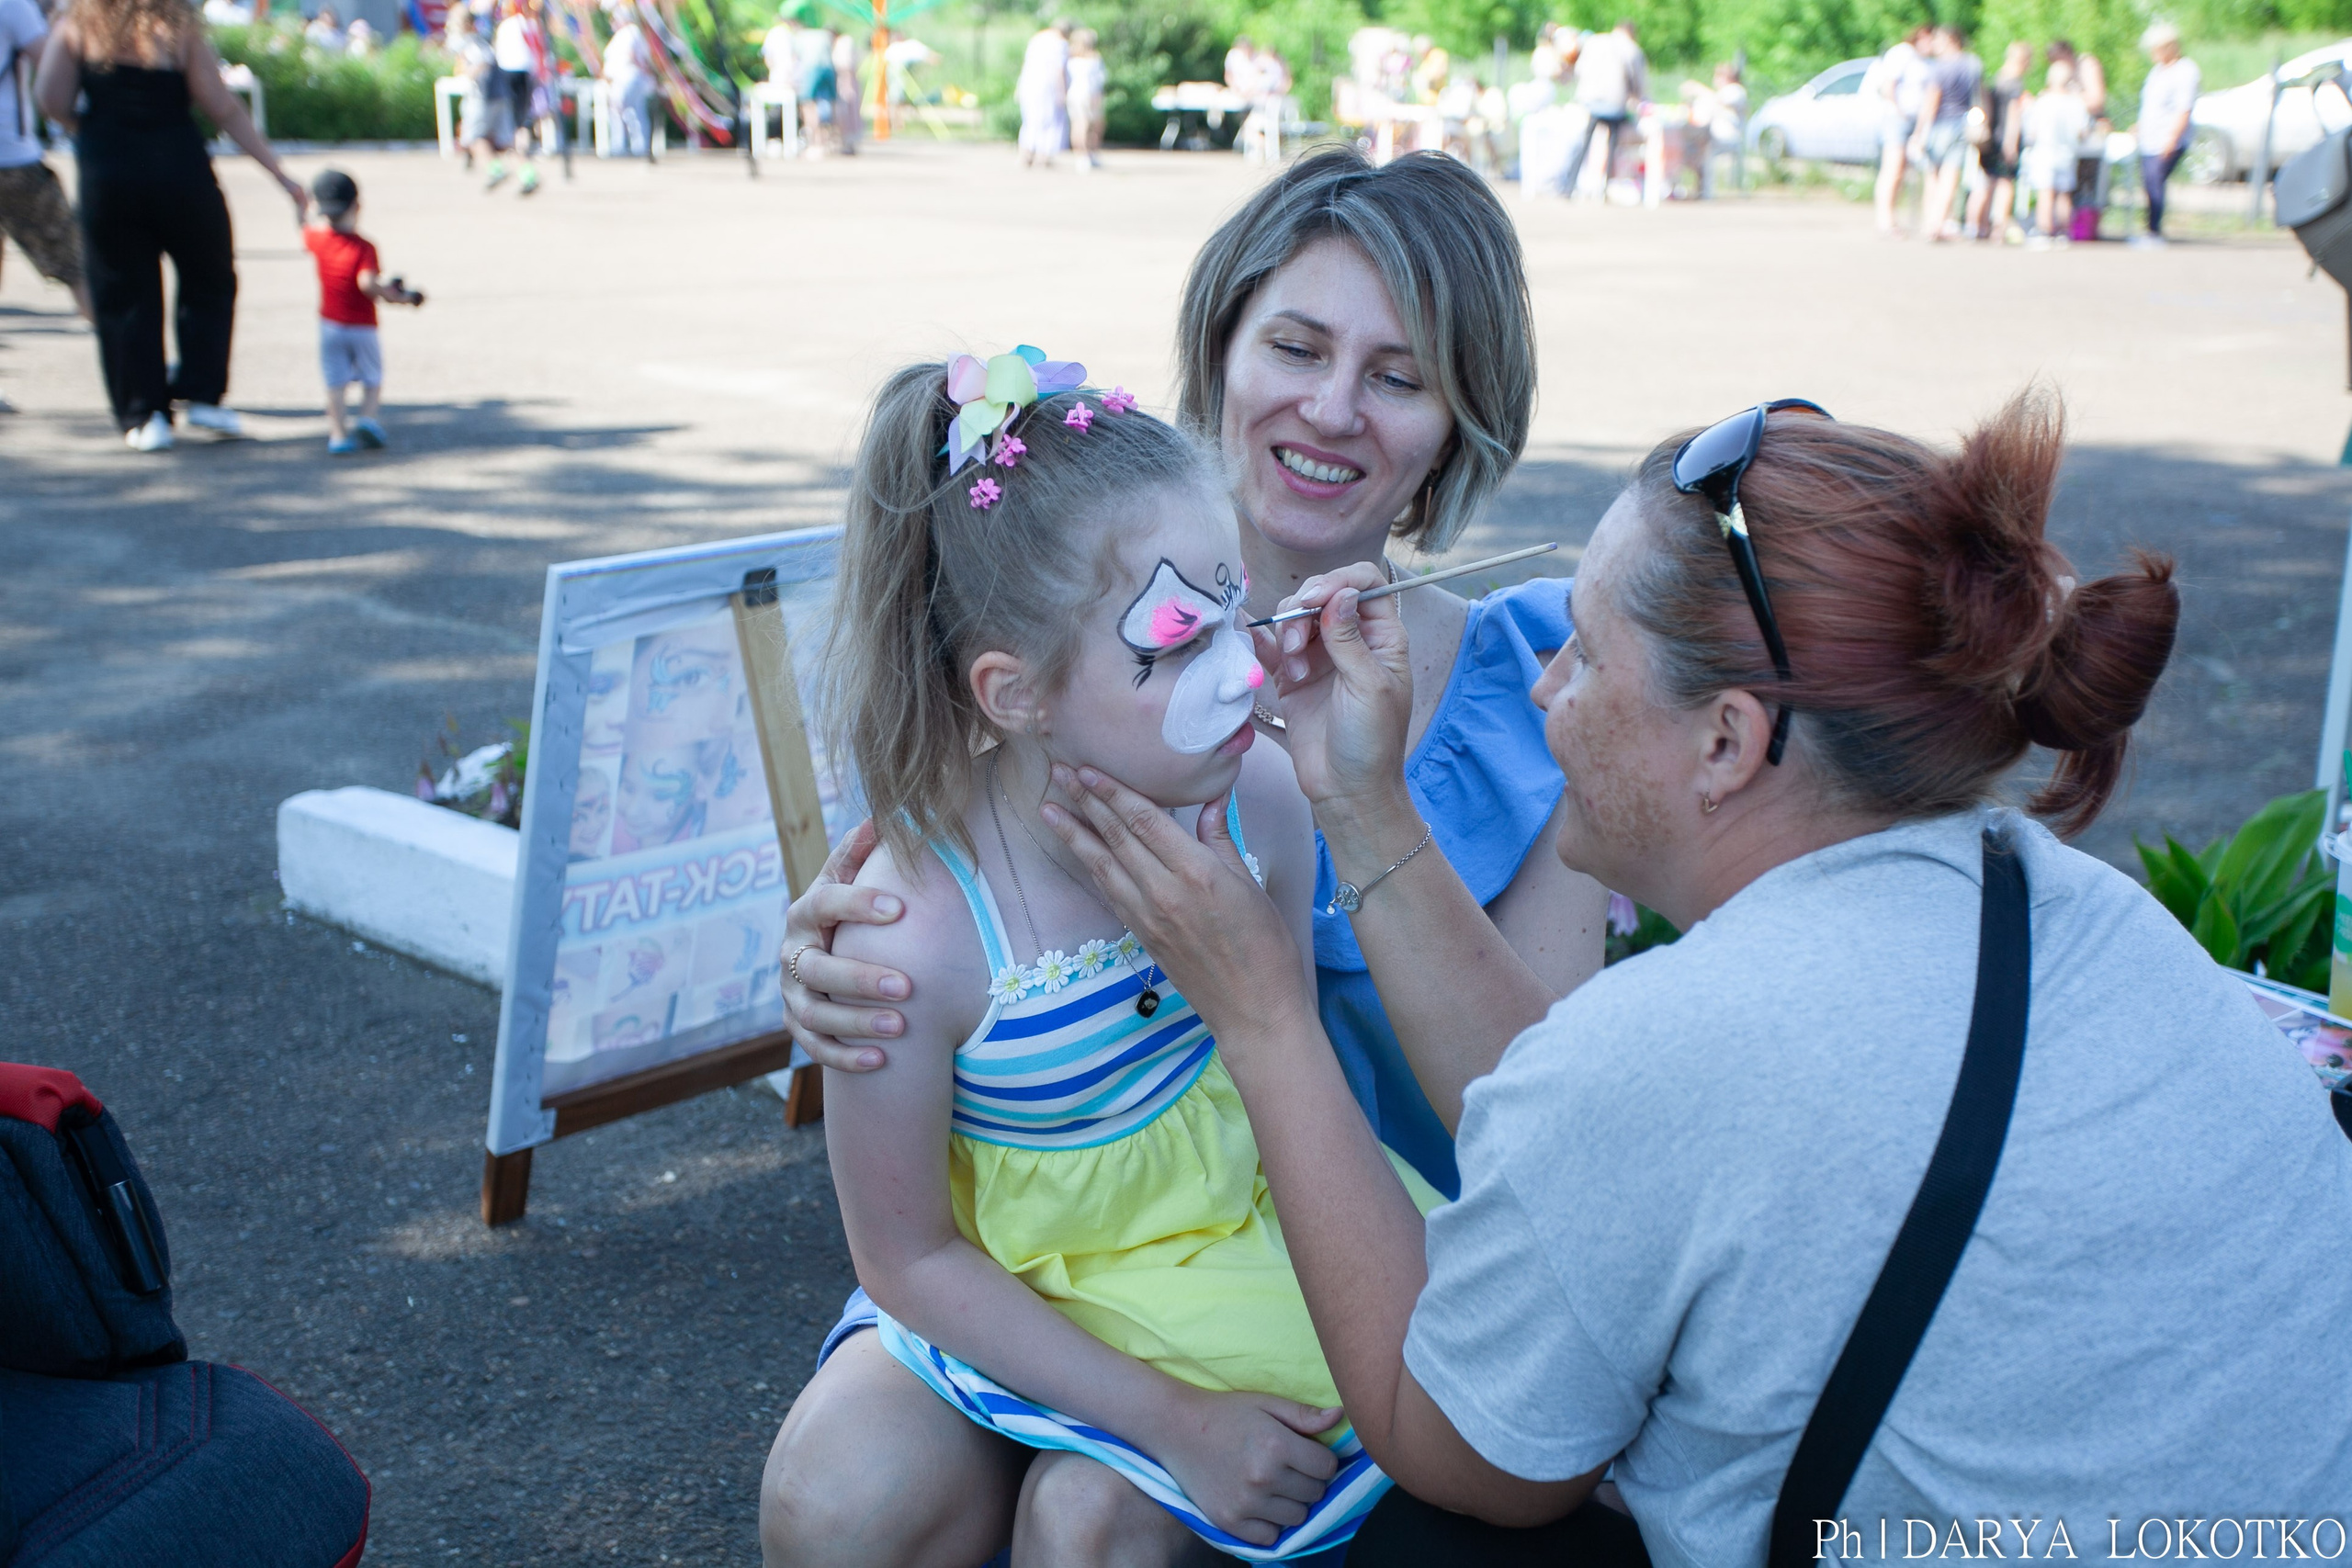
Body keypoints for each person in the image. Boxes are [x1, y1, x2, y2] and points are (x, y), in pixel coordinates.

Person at [1036, 390, 2352, 1559]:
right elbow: (1567, 1139)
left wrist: (1266, 1016)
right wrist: (1359, 798)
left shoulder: (1682, 1048)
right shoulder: (2056, 896)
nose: (1546, 683)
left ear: (1729, 740)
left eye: (1590, 653)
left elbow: (1457, 1447)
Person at [780, 148, 1606, 1205]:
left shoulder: (1527, 697)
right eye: (1296, 348)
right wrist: (837, 967)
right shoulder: (1048, 618)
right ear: (1218, 351)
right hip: (1072, 1288)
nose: (1333, 409)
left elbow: (1554, 1142)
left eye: (1399, 378)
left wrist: (1363, 813)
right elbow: (931, 917)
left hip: (1418, 1299)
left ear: (1459, 428)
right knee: (849, 1385)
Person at [758, 356, 1445, 1565]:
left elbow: (1290, 1084)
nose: (1241, 666)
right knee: (832, 1505)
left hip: (1239, 1243)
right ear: (1013, 691)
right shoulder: (909, 937)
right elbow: (909, 1251)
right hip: (1015, 1289)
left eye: (1239, 606)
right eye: (1179, 639)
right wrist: (1170, 1417)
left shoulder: (1265, 804)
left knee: (1089, 1531)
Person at [35, 0, 306, 451]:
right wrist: (280, 174)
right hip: (179, 168)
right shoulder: (176, 27)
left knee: (123, 290)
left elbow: (50, 98)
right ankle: (202, 393)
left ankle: (143, 415)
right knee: (209, 275)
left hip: (108, 171)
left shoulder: (77, 26)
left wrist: (91, 129)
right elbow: (222, 107)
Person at [0, 0, 95, 374]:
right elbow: (53, 64)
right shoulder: (13, 5)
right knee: (78, 266)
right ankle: (138, 367)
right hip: (12, 159)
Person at [302, 168, 421, 455]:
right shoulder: (365, 248)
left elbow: (302, 228)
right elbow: (366, 284)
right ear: (357, 206)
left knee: (335, 382)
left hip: (329, 324)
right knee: (372, 376)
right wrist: (394, 296)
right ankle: (367, 419)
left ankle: (338, 435)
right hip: (361, 326)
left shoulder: (317, 240)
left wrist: (299, 203)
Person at [1906, 22, 1982, 242]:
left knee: (1933, 175)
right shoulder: (1972, 64)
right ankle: (1938, 223)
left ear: (1950, 40)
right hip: (1961, 124)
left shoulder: (1939, 67)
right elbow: (1979, 96)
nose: (1935, 44)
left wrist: (1919, 132)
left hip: (1940, 125)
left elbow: (1931, 101)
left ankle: (1930, 223)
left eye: (1938, 40)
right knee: (1950, 177)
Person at [2134, 20, 2199, 247]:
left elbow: (2184, 109)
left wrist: (2172, 139)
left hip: (2168, 139)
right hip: (2149, 138)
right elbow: (2151, 106)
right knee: (2149, 183)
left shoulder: (2186, 70)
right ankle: (2150, 230)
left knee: (2155, 182)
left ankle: (2154, 231)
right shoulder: (2157, 72)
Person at [1568, 18, 1645, 197]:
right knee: (1612, 142)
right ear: (1631, 33)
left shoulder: (1594, 41)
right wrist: (1637, 99)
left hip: (1589, 101)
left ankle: (1569, 185)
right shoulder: (1631, 48)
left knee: (1585, 143)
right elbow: (1637, 82)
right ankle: (1605, 187)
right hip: (1614, 103)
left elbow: (1579, 70)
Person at [1866, 24, 1929, 235]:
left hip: (1909, 119)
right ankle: (1884, 219)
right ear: (1922, 35)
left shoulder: (1920, 59)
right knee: (1892, 169)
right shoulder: (1903, 53)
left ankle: (1891, 218)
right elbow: (1889, 85)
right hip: (1897, 118)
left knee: (1901, 171)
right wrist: (1900, 111)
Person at [2021, 58, 2091, 246]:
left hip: (2044, 152)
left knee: (2046, 192)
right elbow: (2082, 131)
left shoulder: (2043, 101)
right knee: (2064, 194)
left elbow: (2031, 131)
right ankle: (2063, 232)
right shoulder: (2076, 103)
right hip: (2066, 154)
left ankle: (2044, 230)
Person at [1964, 39, 2028, 240]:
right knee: (2005, 184)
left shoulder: (1998, 78)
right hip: (2003, 140)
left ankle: (1976, 225)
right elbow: (2013, 114)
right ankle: (1999, 228)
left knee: (1985, 183)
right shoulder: (2015, 83)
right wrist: (2011, 143)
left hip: (1988, 139)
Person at [484, 0, 546, 194]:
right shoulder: (531, 24)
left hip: (507, 74)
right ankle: (522, 155)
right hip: (526, 74)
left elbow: (497, 55)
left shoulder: (506, 26)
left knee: (506, 126)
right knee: (522, 121)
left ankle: (510, 165)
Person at [601, 0, 653, 158]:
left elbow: (633, 56)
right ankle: (630, 146)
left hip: (629, 77)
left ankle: (632, 146)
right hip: (623, 78)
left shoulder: (631, 31)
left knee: (628, 110)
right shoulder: (622, 35)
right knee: (629, 111)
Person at [1015, 16, 1067, 167]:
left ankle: (1025, 154)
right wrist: (1062, 91)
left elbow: (1026, 63)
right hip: (1047, 86)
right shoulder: (1060, 43)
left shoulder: (1037, 38)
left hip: (1028, 82)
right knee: (1048, 120)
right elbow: (1059, 69)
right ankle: (1043, 156)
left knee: (1029, 119)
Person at [1064, 26, 1102, 171]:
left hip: (1076, 93)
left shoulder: (1071, 57)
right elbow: (1097, 80)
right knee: (1084, 125)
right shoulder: (1093, 58)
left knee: (1081, 124)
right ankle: (1083, 155)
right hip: (1086, 94)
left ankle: (1085, 154)